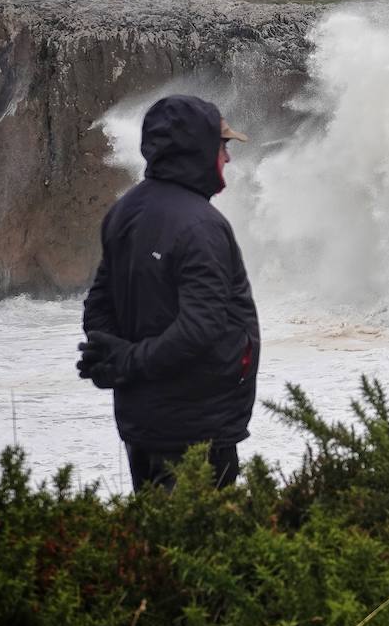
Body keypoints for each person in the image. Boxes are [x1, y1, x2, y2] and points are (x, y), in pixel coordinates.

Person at [77, 95, 259, 492]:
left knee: (154, 538)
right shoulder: (202, 227)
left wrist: (114, 358)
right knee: (202, 541)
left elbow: (97, 308)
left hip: (141, 422)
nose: (227, 157)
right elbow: (200, 328)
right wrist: (125, 362)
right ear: (199, 150)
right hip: (196, 427)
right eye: (222, 145)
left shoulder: (124, 212)